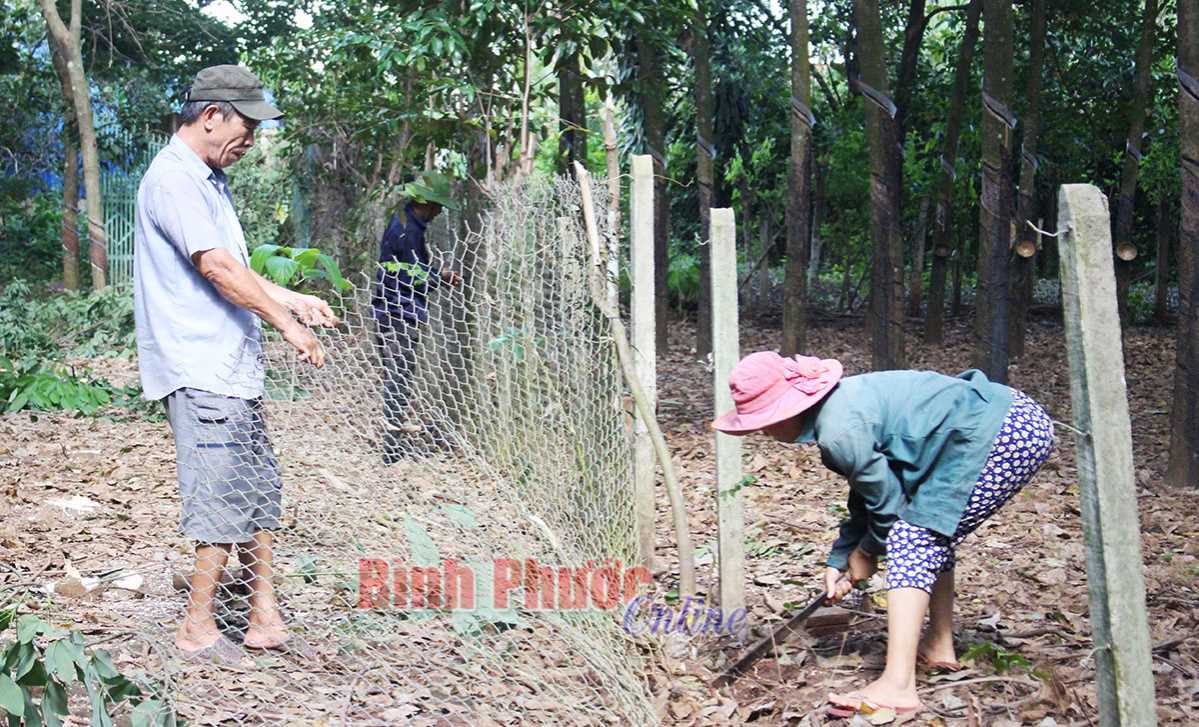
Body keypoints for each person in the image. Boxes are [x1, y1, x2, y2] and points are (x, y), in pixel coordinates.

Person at [712, 351, 1054, 718]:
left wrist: (868, 552)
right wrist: (841, 557)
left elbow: (888, 508)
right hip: (1003, 419)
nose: (763, 431)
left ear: (791, 409)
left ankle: (898, 685)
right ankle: (939, 643)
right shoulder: (838, 412)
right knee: (928, 530)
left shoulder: (839, 431)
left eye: (766, 421)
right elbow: (867, 493)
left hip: (1002, 432)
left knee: (914, 538)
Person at [133, 65, 338, 663]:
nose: (251, 139)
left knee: (257, 492)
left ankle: (262, 616)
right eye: (246, 126)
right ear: (211, 115)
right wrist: (288, 326)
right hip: (200, 369)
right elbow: (218, 270)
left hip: (230, 368)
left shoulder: (208, 179)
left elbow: (236, 267)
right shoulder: (174, 180)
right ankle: (197, 628)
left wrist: (292, 298)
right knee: (221, 499)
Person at [371, 171, 461, 462]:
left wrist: (436, 276)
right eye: (438, 205)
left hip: (394, 310)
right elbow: (413, 278)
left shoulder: (407, 223)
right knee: (398, 378)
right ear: (429, 204)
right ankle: (392, 451)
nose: (439, 212)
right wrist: (441, 278)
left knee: (398, 376)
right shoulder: (407, 230)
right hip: (398, 313)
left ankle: (393, 443)